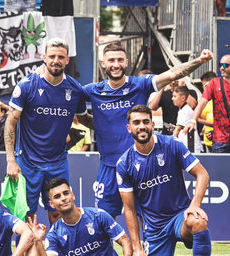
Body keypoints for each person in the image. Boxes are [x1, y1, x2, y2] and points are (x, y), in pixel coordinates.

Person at [84, 43, 212, 218]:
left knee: (147, 217)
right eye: (111, 60)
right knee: (103, 220)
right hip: (108, 167)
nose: (116, 64)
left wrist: (199, 60)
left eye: (120, 60)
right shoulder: (92, 90)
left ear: (126, 62)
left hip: (141, 166)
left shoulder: (140, 84)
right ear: (103, 63)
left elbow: (173, 73)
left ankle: (147, 247)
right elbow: (66, 97)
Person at [117, 105, 214, 256]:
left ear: (153, 124)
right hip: (154, 228)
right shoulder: (124, 163)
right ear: (129, 128)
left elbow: (202, 174)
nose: (141, 126)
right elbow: (130, 209)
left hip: (180, 216)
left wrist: (194, 205)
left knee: (198, 221)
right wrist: (137, 248)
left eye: (145, 122)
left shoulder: (172, 145)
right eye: (136, 123)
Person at [31, 178, 161, 256]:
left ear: (73, 195)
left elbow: (125, 241)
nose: (63, 198)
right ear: (51, 204)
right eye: (57, 196)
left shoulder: (98, 215)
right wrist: (38, 241)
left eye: (66, 193)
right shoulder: (55, 232)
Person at [5, 39, 87, 223]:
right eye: (52, 56)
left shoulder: (75, 90)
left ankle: (57, 251)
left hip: (57, 162)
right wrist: (11, 159)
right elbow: (10, 123)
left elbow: (84, 120)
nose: (56, 60)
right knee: (27, 214)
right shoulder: (27, 85)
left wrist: (114, 123)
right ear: (44, 58)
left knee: (59, 212)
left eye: (61, 57)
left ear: (67, 60)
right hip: (27, 161)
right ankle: (28, 253)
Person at [187, 54, 230, 153]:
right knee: (219, 167)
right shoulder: (214, 83)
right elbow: (202, 102)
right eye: (220, 65)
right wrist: (193, 121)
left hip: (220, 137)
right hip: (220, 139)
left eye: (225, 65)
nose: (222, 68)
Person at [171, 85, 201, 153]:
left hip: (191, 148)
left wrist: (171, 145)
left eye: (175, 96)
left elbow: (177, 130)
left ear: (183, 98)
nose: (172, 98)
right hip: (188, 147)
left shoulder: (185, 111)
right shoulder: (182, 110)